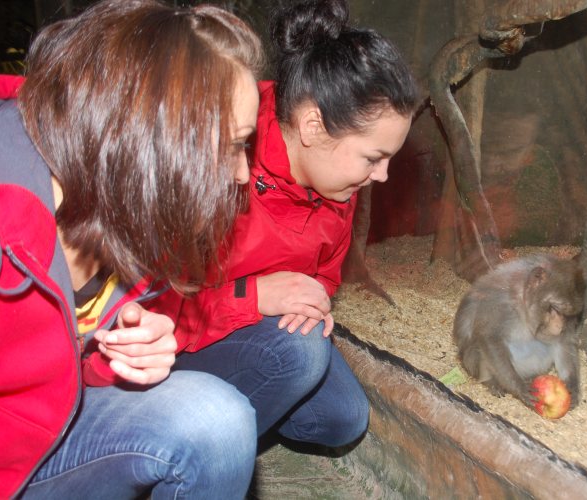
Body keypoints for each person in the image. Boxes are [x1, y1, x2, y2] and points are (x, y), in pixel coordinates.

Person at [0, 1, 264, 498]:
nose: (242, 174)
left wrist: (118, 354)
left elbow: (63, 367)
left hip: (46, 434)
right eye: (234, 144)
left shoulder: (125, 205)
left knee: (215, 419)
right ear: (152, 135)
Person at [167, 0, 418, 447]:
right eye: (372, 158)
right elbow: (148, 307)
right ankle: (193, 447)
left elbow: (325, 275)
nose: (381, 175)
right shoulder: (221, 154)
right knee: (299, 354)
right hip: (174, 341)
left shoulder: (338, 185)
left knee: (343, 417)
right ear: (313, 127)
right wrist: (253, 296)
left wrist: (311, 301)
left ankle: (234, 415)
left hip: (256, 333)